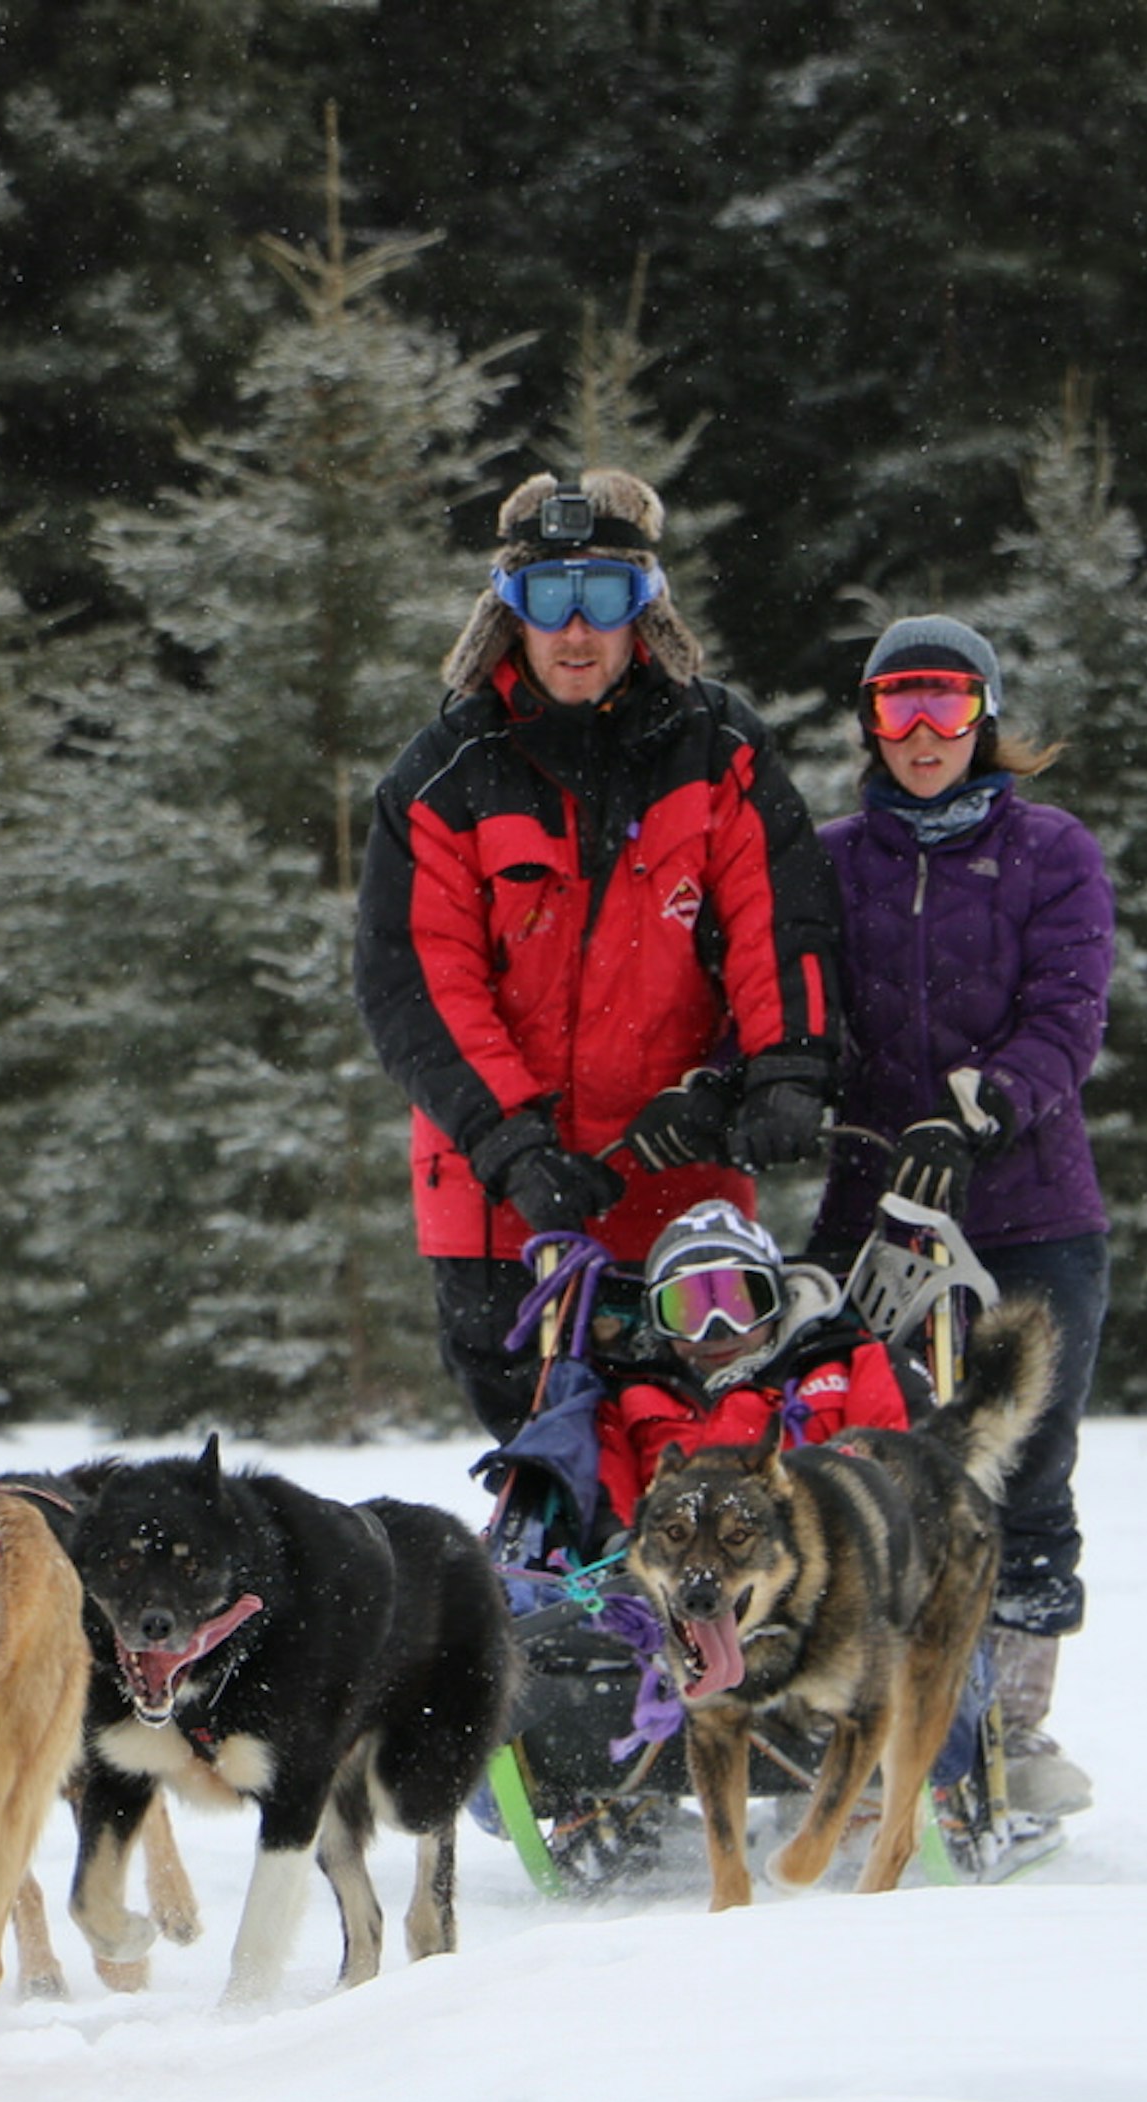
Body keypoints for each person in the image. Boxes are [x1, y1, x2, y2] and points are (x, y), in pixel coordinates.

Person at [355, 468, 843, 1441]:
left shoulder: (720, 751)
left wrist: (775, 1071)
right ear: (508, 611)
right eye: (549, 598)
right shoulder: (441, 777)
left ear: (645, 609)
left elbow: (779, 927)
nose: (576, 631)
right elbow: (416, 980)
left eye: (606, 597)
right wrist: (515, 1147)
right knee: (552, 1476)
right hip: (505, 1212)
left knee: (699, 1477)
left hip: (681, 1195)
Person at [813, 614, 1113, 1818]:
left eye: (946, 705)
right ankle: (846, 1703)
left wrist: (981, 1107)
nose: (924, 733)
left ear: (984, 716)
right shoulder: (833, 858)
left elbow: (1067, 1012)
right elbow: (796, 1000)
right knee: (859, 1448)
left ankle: (1011, 1726)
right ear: (870, 724)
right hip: (872, 1208)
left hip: (1028, 1207)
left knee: (1021, 1461)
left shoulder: (1052, 849)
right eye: (899, 707)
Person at [593, 1201, 907, 1527]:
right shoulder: (627, 1396)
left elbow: (899, 1475)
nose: (718, 1330)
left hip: (828, 1553)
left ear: (778, 1299)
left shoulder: (847, 1366)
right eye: (687, 1310)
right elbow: (610, 1506)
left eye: (738, 1301)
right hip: (678, 1563)